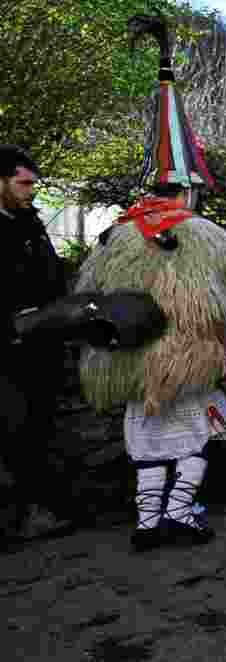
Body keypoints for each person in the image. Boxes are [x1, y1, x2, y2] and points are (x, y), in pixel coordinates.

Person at [74, 15, 226, 552]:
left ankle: (148, 521)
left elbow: (88, 297)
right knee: (196, 437)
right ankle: (179, 514)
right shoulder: (209, 236)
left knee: (147, 442)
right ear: (189, 189)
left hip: (132, 364)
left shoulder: (113, 236)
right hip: (190, 360)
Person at [0, 145, 76, 542]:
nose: (31, 190)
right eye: (23, 182)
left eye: (33, 183)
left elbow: (51, 279)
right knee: (15, 432)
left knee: (38, 430)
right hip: (7, 354)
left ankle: (40, 508)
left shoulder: (31, 223)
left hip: (42, 348)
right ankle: (21, 514)